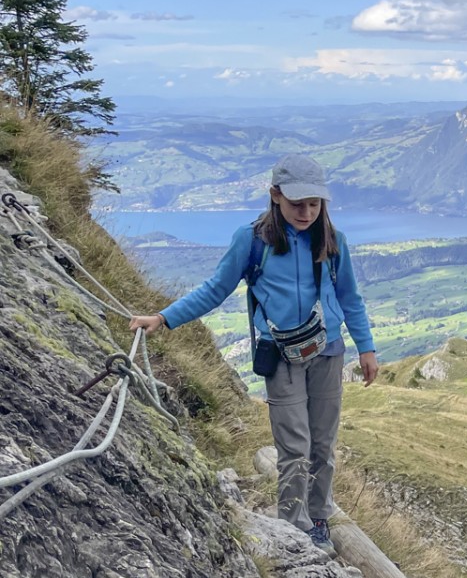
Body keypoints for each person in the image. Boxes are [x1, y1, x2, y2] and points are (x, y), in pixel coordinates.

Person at [130, 154, 378, 545]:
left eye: (314, 204)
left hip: (328, 352)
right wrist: (164, 318)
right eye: (298, 203)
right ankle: (294, 527)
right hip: (280, 357)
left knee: (323, 443)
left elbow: (350, 297)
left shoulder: (332, 241)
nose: (307, 212)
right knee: (295, 445)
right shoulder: (252, 241)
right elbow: (215, 289)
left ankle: (318, 516)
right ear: (275, 195)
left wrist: (367, 348)